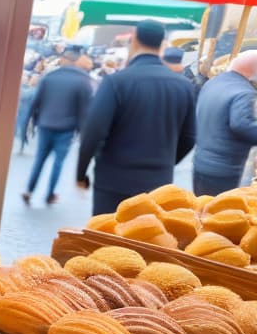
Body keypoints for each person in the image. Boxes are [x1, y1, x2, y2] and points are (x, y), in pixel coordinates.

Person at [76, 20, 197, 215]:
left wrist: (81, 173)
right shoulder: (183, 86)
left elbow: (94, 131)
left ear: (134, 40)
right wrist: (164, 162)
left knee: (106, 239)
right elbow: (190, 137)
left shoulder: (117, 82)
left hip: (114, 180)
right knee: (144, 238)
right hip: (157, 182)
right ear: (161, 44)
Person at [21, 46, 93, 205]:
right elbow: (84, 113)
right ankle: (49, 194)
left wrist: (27, 125)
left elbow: (35, 103)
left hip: (45, 125)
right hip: (66, 129)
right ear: (77, 61)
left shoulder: (49, 77)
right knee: (58, 163)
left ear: (63, 59)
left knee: (39, 159)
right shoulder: (83, 81)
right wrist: (83, 136)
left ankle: (29, 190)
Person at [192, 50, 257, 195]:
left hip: (201, 163)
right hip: (223, 169)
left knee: (202, 209)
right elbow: (241, 125)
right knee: (220, 213)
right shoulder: (244, 92)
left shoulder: (214, 82)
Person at [14, 72, 41, 153]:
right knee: (19, 129)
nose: (31, 80)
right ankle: (22, 143)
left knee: (22, 129)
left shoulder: (34, 91)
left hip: (27, 114)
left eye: (34, 79)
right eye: (32, 79)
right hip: (22, 112)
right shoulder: (28, 89)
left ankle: (22, 144)